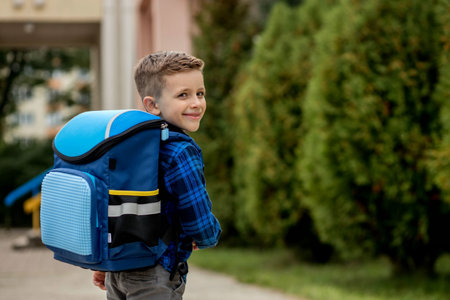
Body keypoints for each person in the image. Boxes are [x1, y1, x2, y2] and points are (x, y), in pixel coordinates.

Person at [92, 51, 222, 300]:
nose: (196, 102)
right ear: (152, 105)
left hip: (118, 270)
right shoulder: (181, 150)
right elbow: (198, 216)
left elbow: (112, 205)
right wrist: (207, 237)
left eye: (200, 93)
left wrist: (104, 263)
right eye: (183, 95)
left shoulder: (128, 145)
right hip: (155, 274)